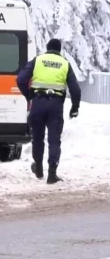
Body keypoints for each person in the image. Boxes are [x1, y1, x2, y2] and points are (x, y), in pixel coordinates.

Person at [16, 38, 81, 184]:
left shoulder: (37, 60)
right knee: (54, 140)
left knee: (37, 138)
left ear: (47, 48)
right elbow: (75, 89)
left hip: (38, 103)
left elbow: (20, 79)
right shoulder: (65, 64)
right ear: (59, 50)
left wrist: (29, 96)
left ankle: (38, 168)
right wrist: (74, 108)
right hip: (55, 106)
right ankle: (52, 174)